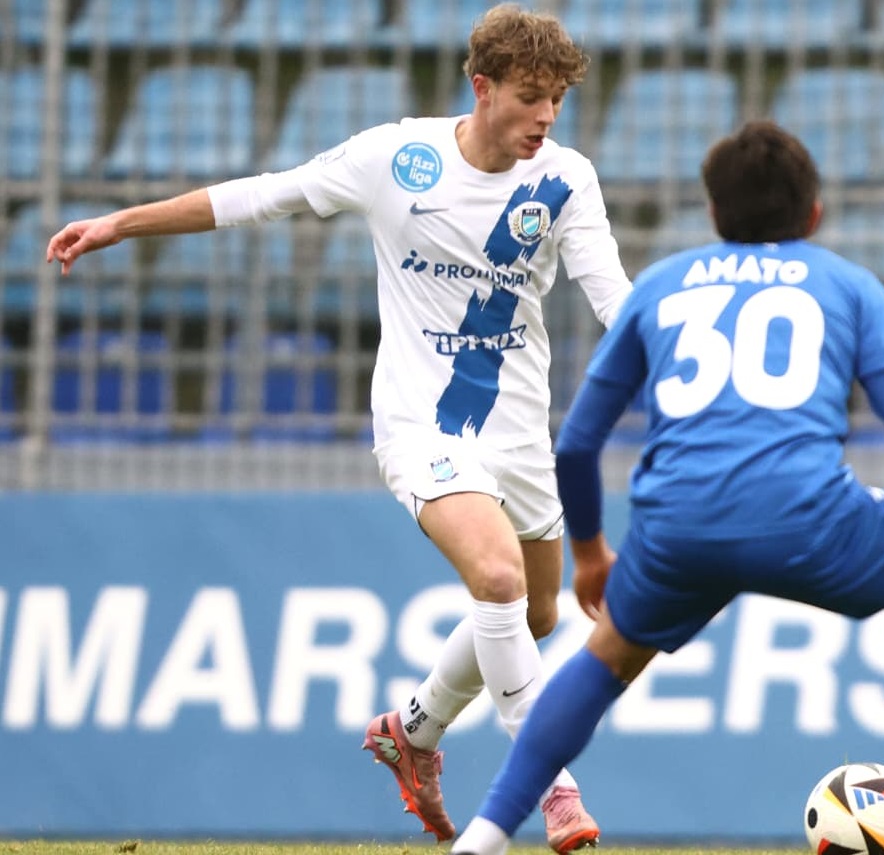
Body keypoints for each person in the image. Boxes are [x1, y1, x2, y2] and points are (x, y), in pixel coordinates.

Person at [45, 5, 630, 850]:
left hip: (517, 430)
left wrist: (680, 350)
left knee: (535, 614)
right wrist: (120, 222)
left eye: (557, 102)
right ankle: (553, 791)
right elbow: (262, 195)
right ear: (482, 87)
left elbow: (612, 296)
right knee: (498, 581)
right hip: (421, 420)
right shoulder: (398, 158)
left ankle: (412, 731)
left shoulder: (566, 179)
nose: (545, 117)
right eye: (531, 97)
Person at [443, 119, 884, 855]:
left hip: (677, 525)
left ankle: (484, 838)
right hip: (809, 516)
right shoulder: (848, 285)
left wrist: (591, 552)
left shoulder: (661, 284)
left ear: (714, 215)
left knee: (610, 650)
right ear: (813, 214)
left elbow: (581, 440)